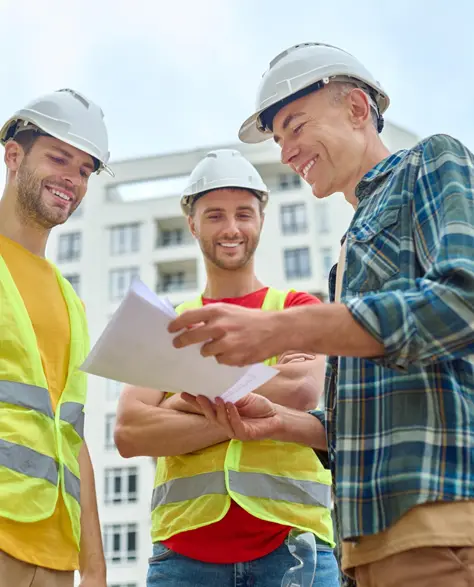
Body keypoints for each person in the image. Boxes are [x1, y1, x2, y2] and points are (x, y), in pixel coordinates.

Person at [167, 43, 474, 587]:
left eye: (295, 126)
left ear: (357, 109)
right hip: (364, 544)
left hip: (439, 521)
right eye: (279, 138)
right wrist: (278, 423)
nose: (287, 151)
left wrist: (279, 328)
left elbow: (461, 303)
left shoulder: (431, 162)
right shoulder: (348, 248)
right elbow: (360, 421)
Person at [114, 148, 340, 587]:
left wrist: (181, 399)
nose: (231, 228)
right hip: (184, 557)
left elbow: (300, 392)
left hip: (295, 551)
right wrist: (252, 407)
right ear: (192, 224)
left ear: (261, 219)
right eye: (214, 215)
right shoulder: (168, 323)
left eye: (243, 213)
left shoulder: (295, 308)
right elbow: (129, 432)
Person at [0, 89, 112, 587]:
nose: (73, 178)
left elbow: (71, 436)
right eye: (59, 158)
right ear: (14, 155)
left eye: (86, 170)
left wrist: (94, 568)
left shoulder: (72, 302)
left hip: (55, 557)